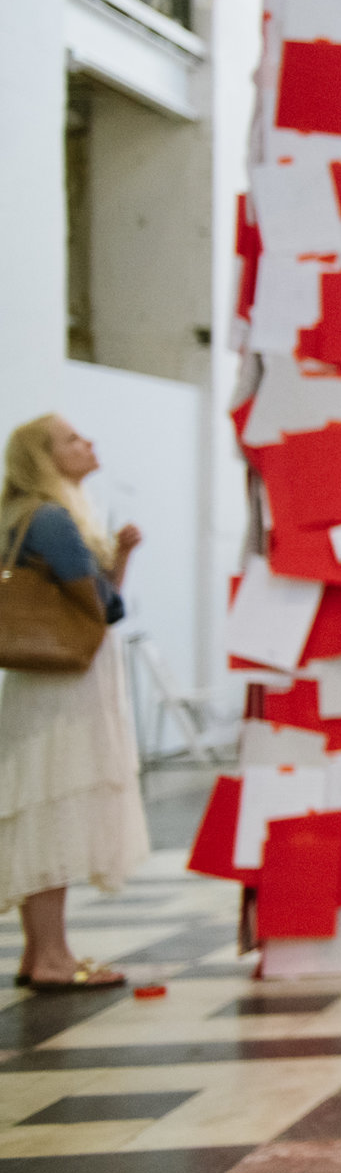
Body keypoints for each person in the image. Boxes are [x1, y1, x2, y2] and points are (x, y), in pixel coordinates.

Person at [0, 416, 150, 992]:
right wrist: (115, 567)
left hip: (38, 680)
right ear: (42, 457)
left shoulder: (22, 515)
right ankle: (54, 958)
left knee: (39, 803)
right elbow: (104, 606)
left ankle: (39, 951)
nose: (87, 442)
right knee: (55, 805)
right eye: (70, 439)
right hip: (67, 682)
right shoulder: (53, 517)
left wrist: (118, 558)